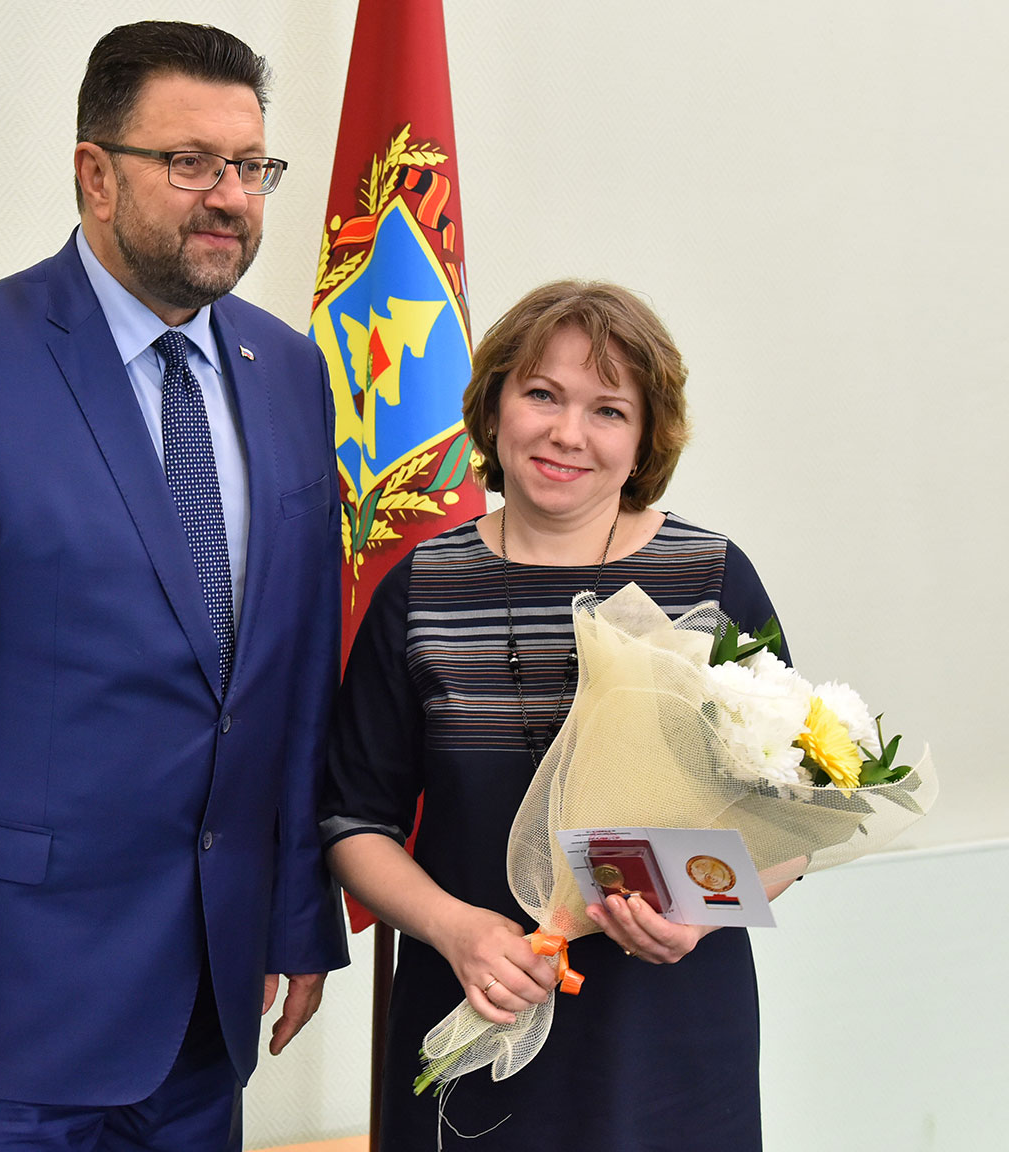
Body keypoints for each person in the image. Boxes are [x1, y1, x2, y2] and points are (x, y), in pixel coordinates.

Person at [0, 21, 348, 1150]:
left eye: (251, 167)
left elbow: (294, 679)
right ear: (95, 174)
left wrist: (297, 917)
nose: (230, 197)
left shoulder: (289, 372)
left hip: (206, 1012)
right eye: (190, 162)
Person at [322, 281, 795, 1148]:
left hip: (670, 1041)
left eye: (608, 410)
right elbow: (355, 823)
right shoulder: (420, 590)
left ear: (646, 438)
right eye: (542, 394)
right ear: (494, 404)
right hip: (476, 1010)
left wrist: (700, 913)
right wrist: (456, 930)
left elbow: (791, 821)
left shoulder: (710, 578)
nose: (567, 433)